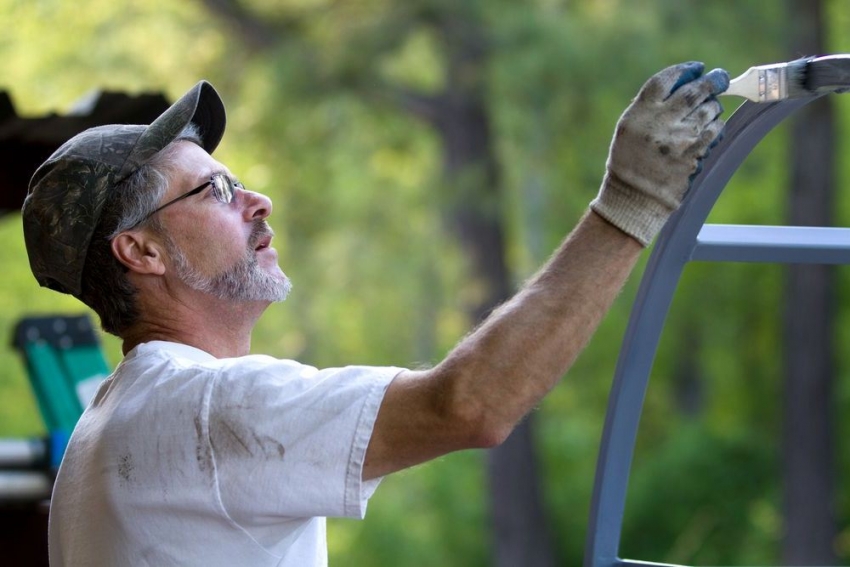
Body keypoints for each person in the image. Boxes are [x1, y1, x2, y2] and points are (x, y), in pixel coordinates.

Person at [22, 61, 728, 566]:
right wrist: (631, 200)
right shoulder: (206, 407)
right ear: (140, 250)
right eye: (213, 190)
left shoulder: (115, 420)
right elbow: (469, 404)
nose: (257, 200)